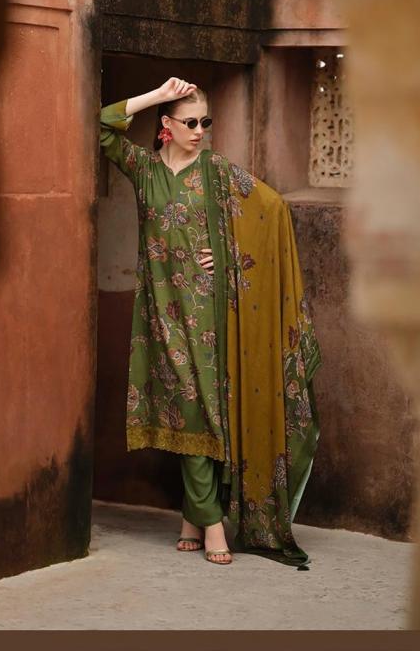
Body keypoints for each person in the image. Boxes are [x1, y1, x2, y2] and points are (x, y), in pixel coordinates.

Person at [100, 76, 322, 568]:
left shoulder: (217, 171)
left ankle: (203, 518)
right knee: (187, 408)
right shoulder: (143, 169)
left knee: (209, 409)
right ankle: (204, 517)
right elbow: (102, 126)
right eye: (190, 122)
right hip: (161, 310)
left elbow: (272, 212)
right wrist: (157, 96)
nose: (200, 131)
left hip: (212, 312)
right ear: (167, 125)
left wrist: (228, 259)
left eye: (206, 122)